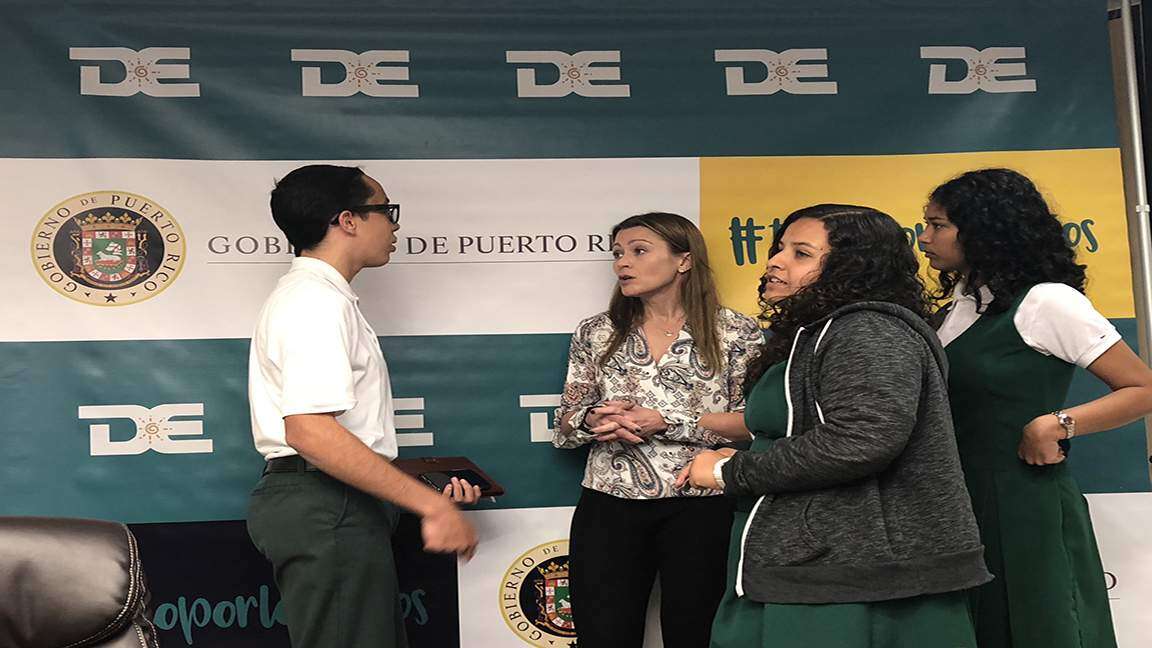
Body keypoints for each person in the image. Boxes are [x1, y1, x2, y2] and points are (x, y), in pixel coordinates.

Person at [680, 204, 991, 648]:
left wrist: (731, 472)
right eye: (780, 248)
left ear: (852, 267)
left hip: (856, 579)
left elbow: (861, 439)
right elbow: (805, 427)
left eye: (801, 253)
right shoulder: (819, 332)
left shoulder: (868, 330)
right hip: (813, 563)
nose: (775, 260)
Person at [245, 164, 480, 648]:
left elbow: (338, 432)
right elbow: (309, 431)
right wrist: (429, 504)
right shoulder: (314, 302)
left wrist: (417, 487)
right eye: (385, 211)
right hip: (327, 503)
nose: (394, 226)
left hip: (336, 500)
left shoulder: (324, 298)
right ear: (348, 220)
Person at [917, 168, 1152, 648]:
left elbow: (1143, 388)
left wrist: (1060, 424)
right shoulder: (956, 307)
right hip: (954, 502)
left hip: (1021, 503)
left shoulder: (1047, 302)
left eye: (937, 225)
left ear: (985, 228)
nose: (924, 237)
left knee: (1034, 627)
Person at [553, 212, 763, 648]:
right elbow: (567, 423)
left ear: (683, 260)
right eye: (617, 254)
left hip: (703, 502)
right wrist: (594, 420)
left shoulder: (737, 332)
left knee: (697, 633)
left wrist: (668, 423)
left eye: (638, 251)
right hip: (609, 502)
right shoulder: (597, 331)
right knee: (604, 634)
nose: (621, 264)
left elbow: (754, 425)